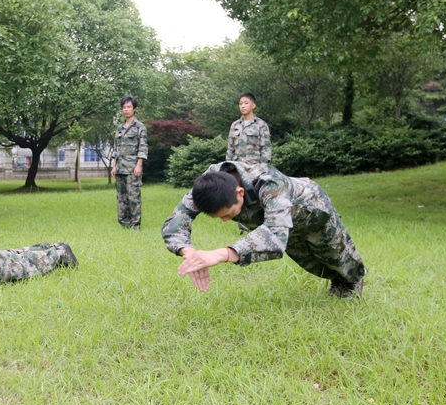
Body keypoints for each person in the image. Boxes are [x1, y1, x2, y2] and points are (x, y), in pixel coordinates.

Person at [162, 161, 367, 297]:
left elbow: (275, 236)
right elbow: (176, 220)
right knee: (311, 262)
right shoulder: (207, 186)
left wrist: (222, 254)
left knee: (335, 254)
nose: (225, 220)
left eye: (227, 214)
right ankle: (338, 283)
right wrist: (189, 253)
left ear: (240, 192)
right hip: (274, 220)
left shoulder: (268, 182)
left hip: (311, 210)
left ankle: (352, 283)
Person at [111, 95, 148, 229]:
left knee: (133, 197)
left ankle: (135, 224)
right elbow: (116, 148)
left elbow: (142, 147)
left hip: (133, 168)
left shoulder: (140, 127)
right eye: (124, 107)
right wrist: (114, 166)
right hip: (120, 167)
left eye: (128, 107)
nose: (126, 109)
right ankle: (124, 223)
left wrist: (139, 165)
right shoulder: (120, 128)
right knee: (121, 198)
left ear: (134, 109)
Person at [226, 92, 271, 164]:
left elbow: (266, 149)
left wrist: (261, 167)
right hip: (237, 166)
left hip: (254, 167)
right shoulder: (235, 125)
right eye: (240, 103)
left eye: (246, 103)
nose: (243, 106)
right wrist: (228, 166)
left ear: (253, 105)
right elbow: (230, 149)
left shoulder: (261, 125)